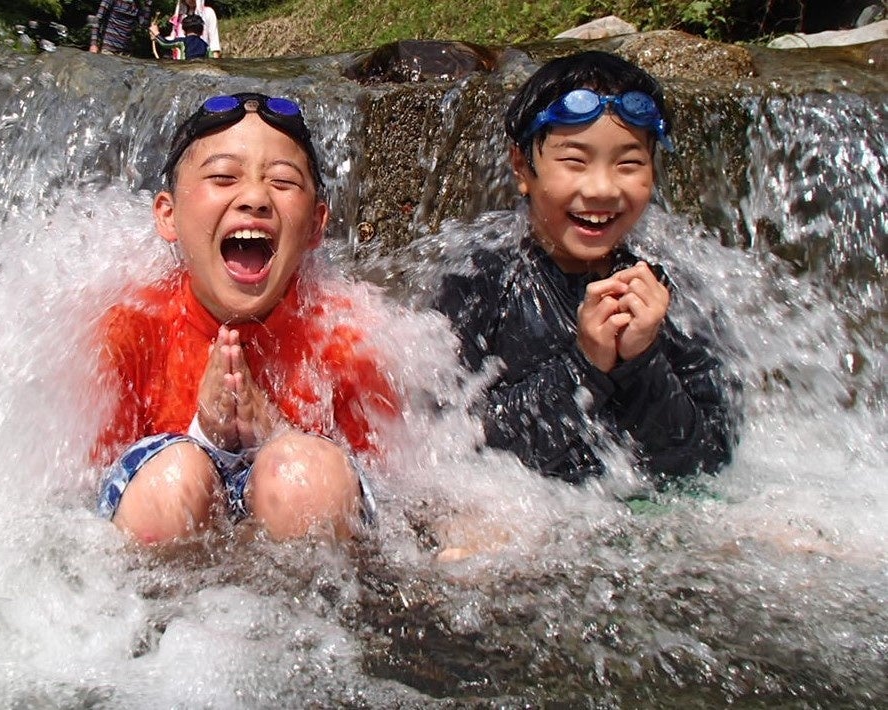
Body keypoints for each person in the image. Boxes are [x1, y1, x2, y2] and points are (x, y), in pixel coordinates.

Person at [93, 93, 401, 545]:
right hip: (162, 507)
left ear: (316, 225)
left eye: (283, 181)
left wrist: (272, 432)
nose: (255, 198)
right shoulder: (132, 327)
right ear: (168, 215)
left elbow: (402, 491)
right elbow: (77, 486)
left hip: (300, 510)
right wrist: (203, 435)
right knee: (173, 484)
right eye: (223, 177)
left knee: (303, 478)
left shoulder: (346, 335)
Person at [433, 51, 739, 487]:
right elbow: (452, 448)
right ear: (522, 167)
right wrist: (586, 365)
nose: (601, 189)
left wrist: (641, 358)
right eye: (575, 162)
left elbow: (709, 460)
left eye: (628, 164)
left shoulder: (669, 285)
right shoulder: (481, 280)